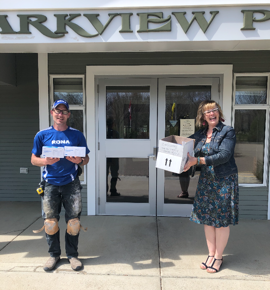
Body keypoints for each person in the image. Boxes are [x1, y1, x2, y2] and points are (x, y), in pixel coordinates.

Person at [31, 99, 90, 272]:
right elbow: (33, 159)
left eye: (64, 111)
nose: (60, 114)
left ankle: (72, 256)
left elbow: (86, 158)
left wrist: (81, 160)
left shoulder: (77, 135)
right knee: (50, 223)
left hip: (71, 183)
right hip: (49, 184)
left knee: (73, 222)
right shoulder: (42, 135)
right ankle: (54, 255)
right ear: (52, 113)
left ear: (68, 115)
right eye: (57, 111)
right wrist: (45, 160)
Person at [183, 100, 239, 273]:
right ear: (203, 116)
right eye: (207, 111)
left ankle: (219, 257)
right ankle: (211, 253)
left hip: (224, 180)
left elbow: (224, 155)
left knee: (221, 221)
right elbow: (184, 146)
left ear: (219, 113)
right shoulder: (199, 134)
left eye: (214, 110)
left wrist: (197, 161)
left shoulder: (227, 131)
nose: (211, 113)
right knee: (208, 220)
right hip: (207, 180)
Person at [106, 117, 120, 197]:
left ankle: (106, 191)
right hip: (113, 157)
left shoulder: (104, 133)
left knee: (105, 175)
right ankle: (113, 190)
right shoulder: (115, 133)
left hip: (107, 157)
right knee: (114, 174)